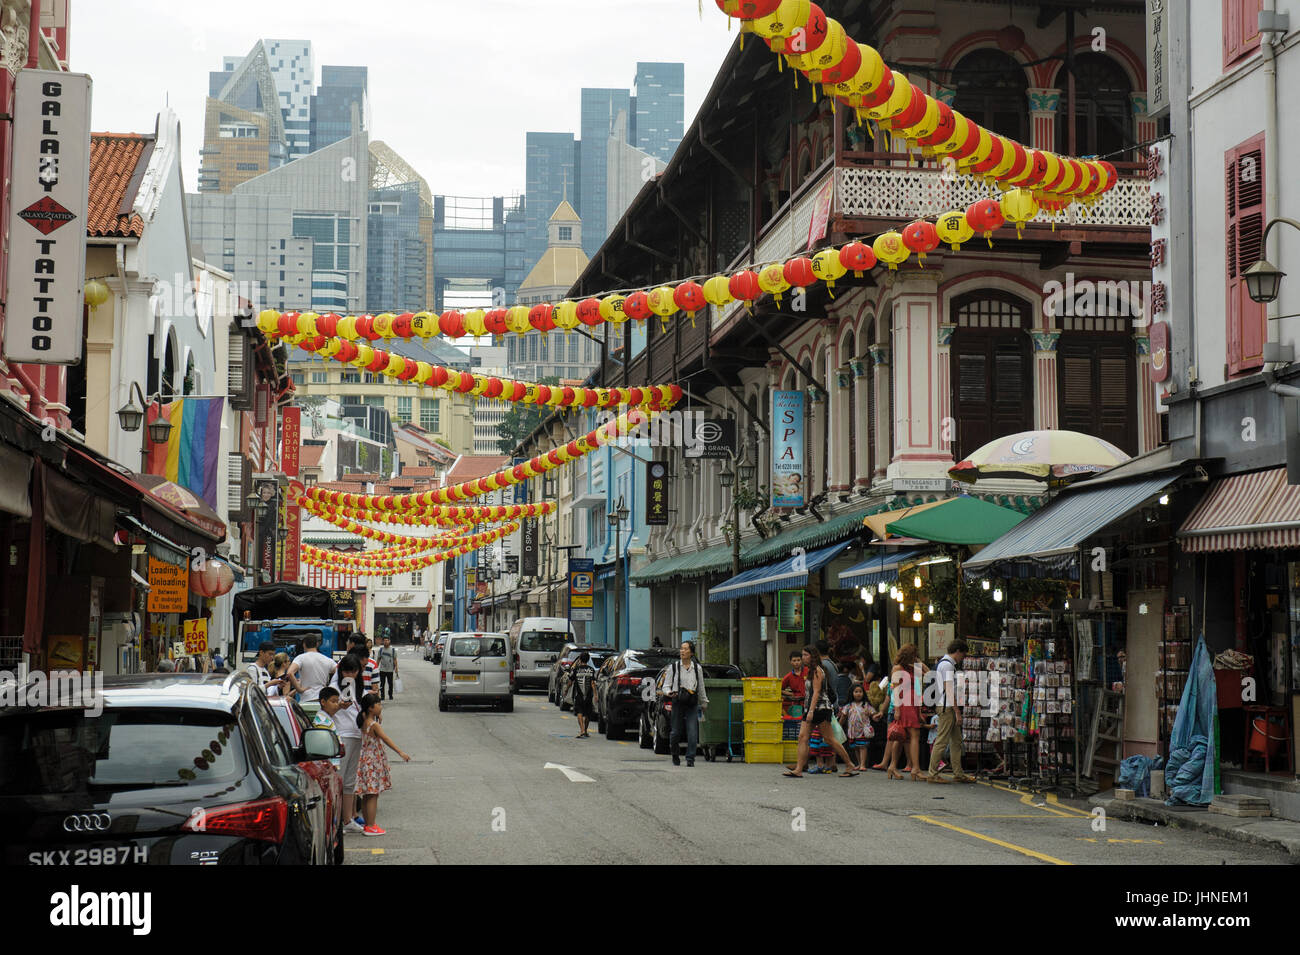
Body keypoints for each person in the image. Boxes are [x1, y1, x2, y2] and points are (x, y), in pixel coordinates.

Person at [782, 645, 858, 778]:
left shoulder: (817, 671)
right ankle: (799, 769)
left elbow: (816, 692)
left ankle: (849, 764)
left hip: (820, 709)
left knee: (829, 739)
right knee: (802, 737)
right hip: (810, 708)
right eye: (802, 655)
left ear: (812, 656)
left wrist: (810, 711)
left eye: (805, 655)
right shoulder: (810, 671)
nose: (803, 658)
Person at [355, 692, 411, 836]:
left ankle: (368, 824)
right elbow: (385, 738)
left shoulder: (363, 720)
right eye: (378, 705)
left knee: (367, 794)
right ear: (370, 708)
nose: (381, 707)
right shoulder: (374, 725)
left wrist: (377, 716)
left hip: (365, 760)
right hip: (373, 762)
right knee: (373, 795)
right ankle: (371, 825)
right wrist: (401, 752)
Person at [926, 639, 975, 784]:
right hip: (947, 707)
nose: (963, 658)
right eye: (963, 655)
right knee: (942, 740)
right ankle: (933, 773)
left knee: (957, 741)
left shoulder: (944, 663)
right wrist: (957, 712)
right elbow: (949, 689)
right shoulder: (947, 666)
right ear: (958, 651)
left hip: (946, 706)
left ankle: (958, 773)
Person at [330, 655, 366, 834]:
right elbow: (326, 709)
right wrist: (339, 707)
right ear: (340, 670)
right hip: (341, 735)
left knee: (351, 780)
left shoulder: (360, 688)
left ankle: (347, 820)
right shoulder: (333, 687)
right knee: (340, 779)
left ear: (358, 672)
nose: (349, 674)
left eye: (353, 671)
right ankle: (336, 820)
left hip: (358, 735)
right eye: (346, 671)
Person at [660, 640, 709, 767]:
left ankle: (690, 758)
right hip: (678, 701)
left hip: (692, 702)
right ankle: (675, 754)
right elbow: (665, 686)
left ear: (691, 653)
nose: (682, 651)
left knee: (692, 732)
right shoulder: (674, 667)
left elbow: (701, 686)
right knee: (675, 732)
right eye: (681, 648)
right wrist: (669, 693)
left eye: (686, 649)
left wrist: (704, 702)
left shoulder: (697, 668)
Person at [885, 643, 929, 781]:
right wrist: (897, 709)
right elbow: (895, 689)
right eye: (914, 655)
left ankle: (892, 766)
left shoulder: (912, 668)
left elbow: (928, 675)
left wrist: (919, 663)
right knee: (914, 735)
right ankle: (915, 768)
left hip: (913, 703)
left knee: (902, 736)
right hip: (905, 704)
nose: (916, 657)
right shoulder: (897, 668)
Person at [288, 633, 336, 703]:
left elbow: (289, 673)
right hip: (323, 699)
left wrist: (299, 689)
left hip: (307, 698)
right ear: (317, 644)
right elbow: (339, 672)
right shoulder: (327, 660)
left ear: (304, 645)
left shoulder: (300, 658)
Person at [840, 682, 876, 772]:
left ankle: (863, 764)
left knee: (863, 746)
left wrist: (876, 716)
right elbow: (843, 716)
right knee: (856, 747)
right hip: (852, 731)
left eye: (860, 691)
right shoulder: (848, 706)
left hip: (862, 730)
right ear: (852, 693)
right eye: (856, 691)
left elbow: (873, 714)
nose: (858, 693)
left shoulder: (866, 705)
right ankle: (859, 763)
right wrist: (839, 725)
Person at [313, 686, 345, 768]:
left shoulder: (326, 718)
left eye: (337, 702)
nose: (336, 705)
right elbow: (324, 746)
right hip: (327, 764)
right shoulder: (322, 721)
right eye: (333, 701)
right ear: (323, 702)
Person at [570, 650, 597, 738]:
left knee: (579, 712)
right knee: (587, 713)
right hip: (589, 696)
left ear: (580, 659)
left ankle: (582, 730)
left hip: (579, 695)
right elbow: (593, 683)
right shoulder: (591, 670)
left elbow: (571, 681)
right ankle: (585, 730)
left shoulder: (576, 670)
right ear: (588, 660)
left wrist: (566, 690)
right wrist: (596, 695)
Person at [780, 650, 806, 720]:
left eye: (798, 660)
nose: (796, 662)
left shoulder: (808, 671)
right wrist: (790, 694)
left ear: (802, 660)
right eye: (794, 661)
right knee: (798, 724)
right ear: (790, 662)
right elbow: (778, 688)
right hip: (797, 705)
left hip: (809, 703)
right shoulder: (788, 676)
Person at [376, 635, 399, 701]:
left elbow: (395, 659)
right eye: (384, 640)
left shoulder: (393, 650)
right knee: (382, 684)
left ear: (389, 641)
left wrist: (396, 668)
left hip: (390, 670)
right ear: (383, 641)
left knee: (390, 683)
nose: (386, 642)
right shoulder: (381, 650)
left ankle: (390, 695)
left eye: (387, 640)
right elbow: (378, 659)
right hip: (382, 669)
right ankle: (382, 696)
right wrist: (376, 668)